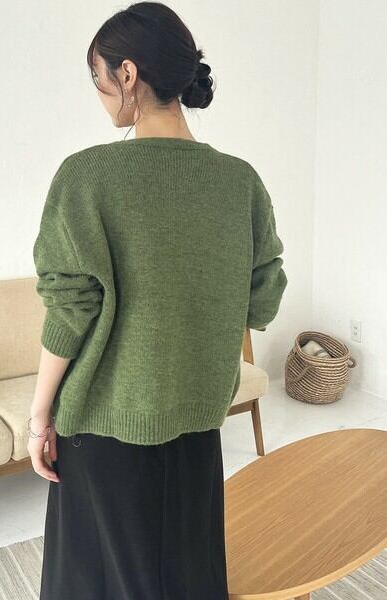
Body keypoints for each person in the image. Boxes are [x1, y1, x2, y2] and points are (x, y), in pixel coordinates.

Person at [29, 2, 288, 599]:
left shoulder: (86, 177)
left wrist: (40, 415)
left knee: (93, 583)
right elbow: (263, 297)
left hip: (101, 433)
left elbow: (70, 308)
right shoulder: (240, 181)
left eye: (98, 78)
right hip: (197, 422)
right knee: (190, 575)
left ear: (127, 74)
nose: (99, 94)